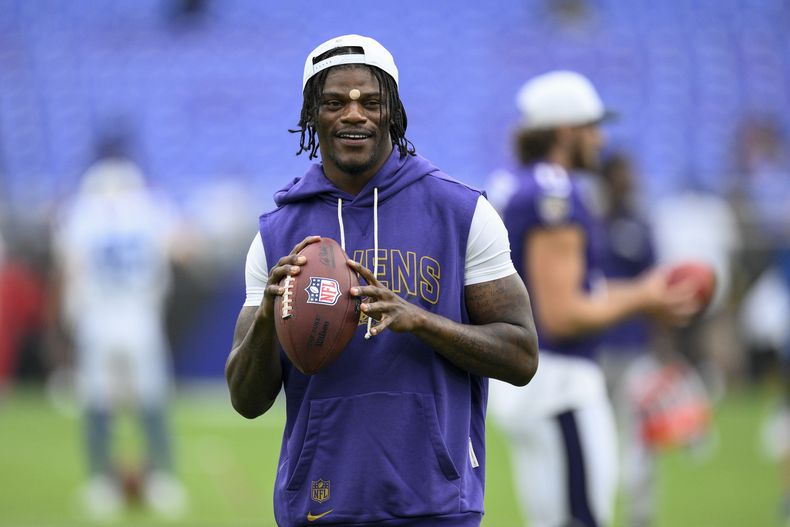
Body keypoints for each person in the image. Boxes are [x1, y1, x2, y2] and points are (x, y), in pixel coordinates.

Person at [224, 34, 538, 527]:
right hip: (319, 504)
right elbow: (246, 400)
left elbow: (521, 355)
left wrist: (422, 323)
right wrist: (267, 317)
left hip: (435, 505)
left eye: (371, 102)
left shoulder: (462, 212)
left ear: (392, 111)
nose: (354, 115)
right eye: (334, 103)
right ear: (312, 115)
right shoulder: (277, 234)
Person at [487, 71, 702, 527]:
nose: (600, 140)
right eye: (593, 127)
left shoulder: (518, 181)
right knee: (582, 519)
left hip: (532, 377)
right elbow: (562, 312)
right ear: (567, 131)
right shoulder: (555, 193)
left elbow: (568, 289)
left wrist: (642, 293)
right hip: (559, 382)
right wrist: (643, 296)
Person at [53, 155, 187, 519]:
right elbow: (184, 247)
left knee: (99, 402)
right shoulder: (150, 208)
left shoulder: (82, 214)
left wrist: (68, 316)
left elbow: (72, 266)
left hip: (98, 318)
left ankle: (101, 483)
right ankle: (161, 479)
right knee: (151, 400)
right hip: (139, 315)